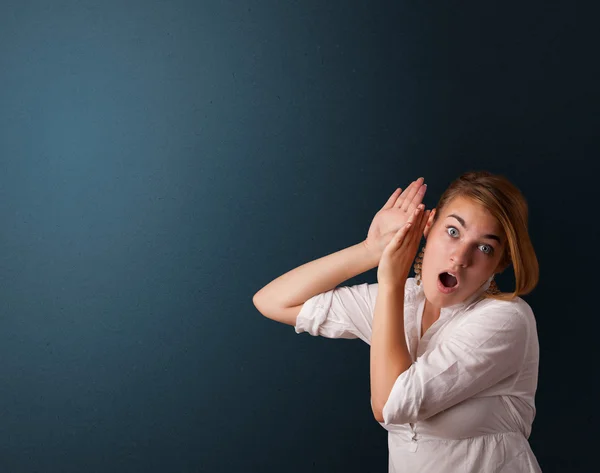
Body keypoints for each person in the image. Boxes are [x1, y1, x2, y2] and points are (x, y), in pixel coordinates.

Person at [253, 171, 542, 473]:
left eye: (485, 248)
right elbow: (273, 301)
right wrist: (370, 250)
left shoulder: (506, 320)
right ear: (428, 226)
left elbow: (390, 405)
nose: (459, 258)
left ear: (501, 262)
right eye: (453, 231)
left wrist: (390, 283)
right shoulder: (403, 300)